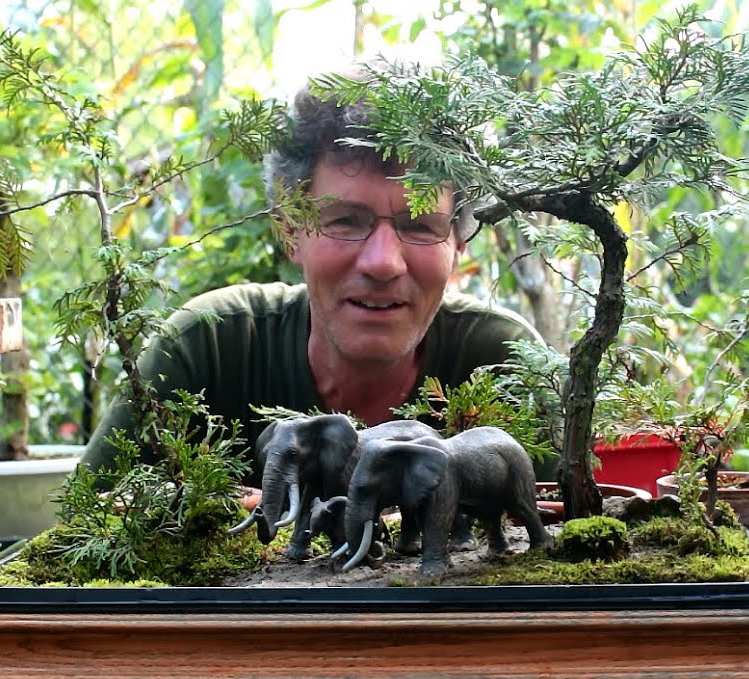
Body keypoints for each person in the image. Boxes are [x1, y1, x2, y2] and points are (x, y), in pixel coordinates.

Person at [80, 63, 545, 483]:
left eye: (420, 226)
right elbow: (78, 535)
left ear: (458, 243)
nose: (383, 262)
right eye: (345, 221)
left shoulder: (503, 361)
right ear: (290, 231)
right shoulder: (211, 348)